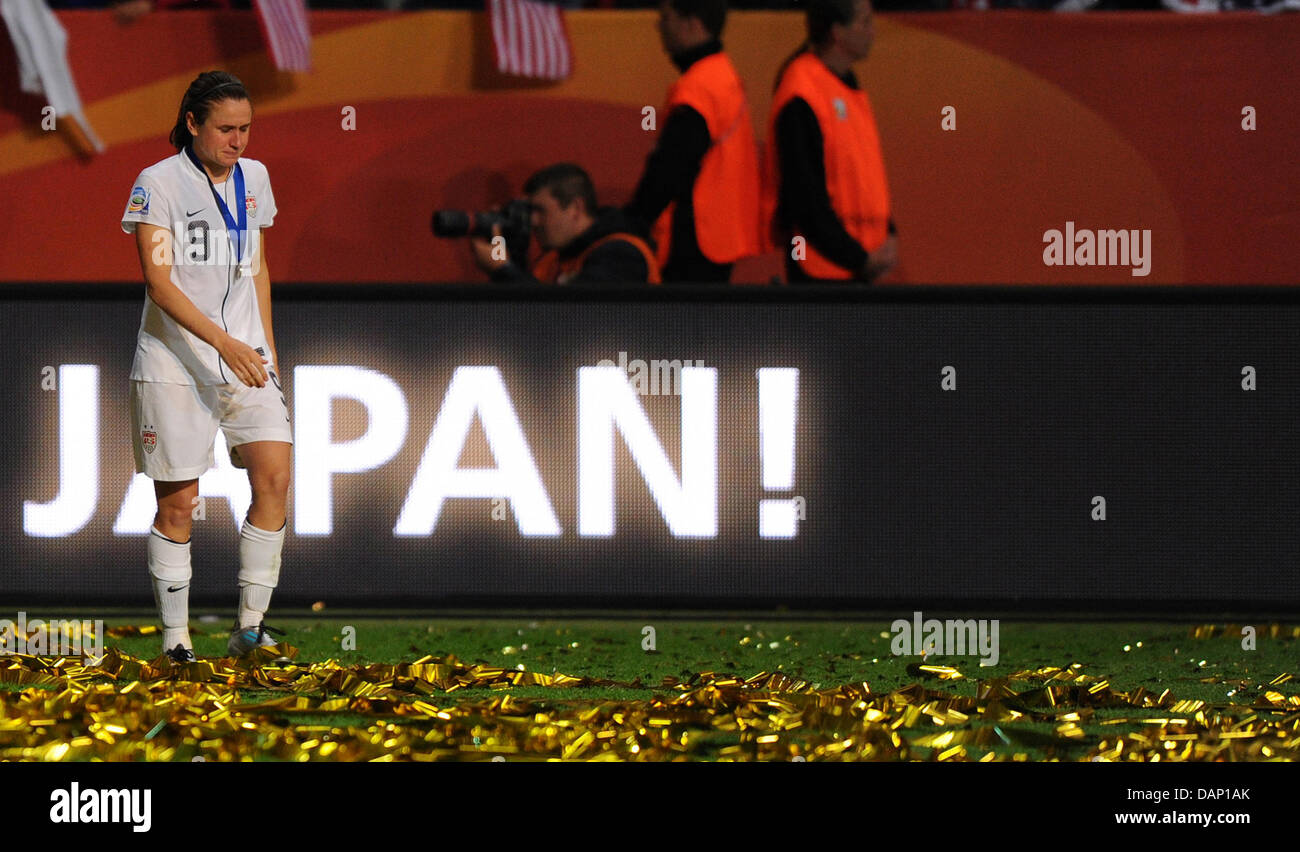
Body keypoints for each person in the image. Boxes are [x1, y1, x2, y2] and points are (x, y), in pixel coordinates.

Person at [120, 71, 291, 664]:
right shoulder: (157, 183)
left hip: (247, 359)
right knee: (180, 505)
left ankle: (249, 627)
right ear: (192, 123)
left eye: (245, 128)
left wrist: (266, 350)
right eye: (225, 128)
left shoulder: (256, 178)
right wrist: (225, 343)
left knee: (274, 478)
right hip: (176, 364)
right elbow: (158, 283)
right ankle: (176, 643)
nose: (237, 140)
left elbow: (257, 267)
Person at [623, 0, 761, 283]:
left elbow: (669, 169)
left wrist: (630, 224)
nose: (659, 26)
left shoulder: (699, 87)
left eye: (666, 17)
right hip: (716, 237)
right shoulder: (722, 76)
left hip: (695, 241)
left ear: (693, 24)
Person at [762, 0, 899, 284]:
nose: (873, 32)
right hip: (824, 269)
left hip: (855, 263)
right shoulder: (803, 94)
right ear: (838, 32)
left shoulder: (845, 85)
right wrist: (859, 258)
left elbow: (864, 177)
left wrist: (888, 234)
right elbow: (806, 199)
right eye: (864, 22)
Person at [471, 163, 661, 286]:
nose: (534, 221)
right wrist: (512, 255)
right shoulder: (553, 260)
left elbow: (574, 320)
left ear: (576, 208)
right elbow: (528, 317)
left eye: (540, 210)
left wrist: (503, 270)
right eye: (530, 212)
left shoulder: (622, 253)